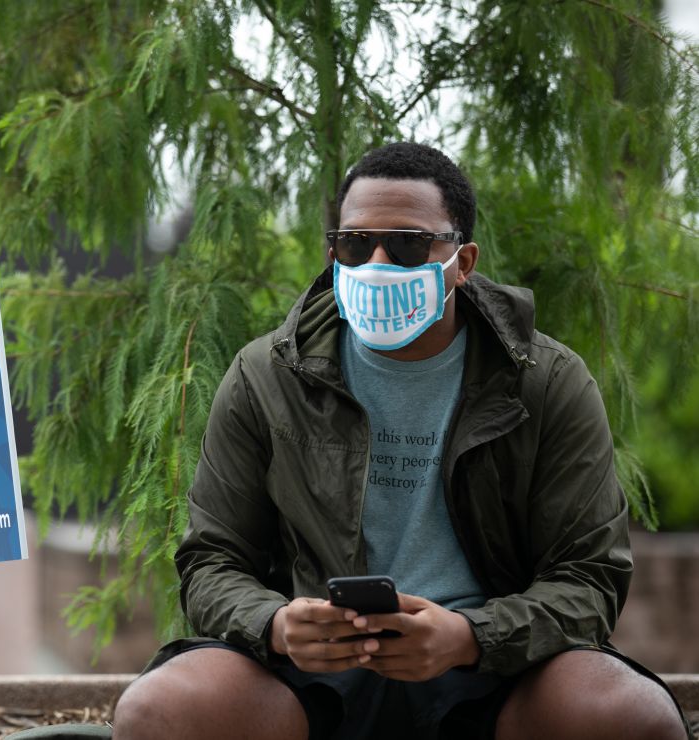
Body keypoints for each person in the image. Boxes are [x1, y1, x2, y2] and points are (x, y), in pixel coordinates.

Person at [112, 142, 692, 739]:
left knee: (634, 719)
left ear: (462, 261)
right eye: (355, 244)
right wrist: (277, 625)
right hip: (313, 674)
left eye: (410, 244)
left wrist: (472, 638)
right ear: (333, 251)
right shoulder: (265, 375)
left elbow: (589, 576)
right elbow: (211, 560)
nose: (378, 264)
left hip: (492, 671)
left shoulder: (546, 382)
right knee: (156, 711)